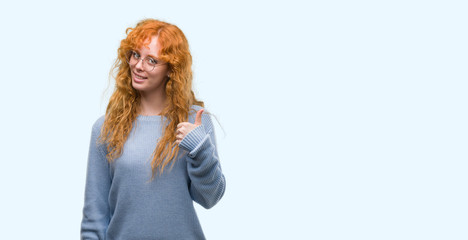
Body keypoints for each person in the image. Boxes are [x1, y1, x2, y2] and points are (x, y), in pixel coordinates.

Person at [80, 18, 226, 240]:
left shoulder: (193, 122)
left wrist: (200, 149)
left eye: (152, 60)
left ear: (171, 69)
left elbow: (210, 198)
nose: (138, 66)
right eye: (136, 55)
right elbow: (95, 215)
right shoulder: (106, 128)